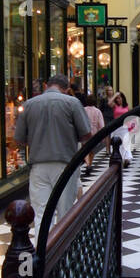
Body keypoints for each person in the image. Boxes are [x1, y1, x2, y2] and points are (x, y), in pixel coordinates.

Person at [14, 73, 91, 238]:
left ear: (46, 86)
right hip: (65, 164)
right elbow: (86, 134)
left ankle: (43, 255)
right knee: (65, 212)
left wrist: (36, 139)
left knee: (41, 213)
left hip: (38, 166)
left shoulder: (29, 104)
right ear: (66, 89)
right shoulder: (72, 103)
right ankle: (63, 255)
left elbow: (19, 140)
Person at [81, 92, 105, 177]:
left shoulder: (83, 110)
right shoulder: (97, 111)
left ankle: (87, 164)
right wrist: (102, 136)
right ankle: (89, 164)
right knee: (91, 151)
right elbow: (101, 124)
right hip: (94, 133)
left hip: (84, 132)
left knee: (85, 150)